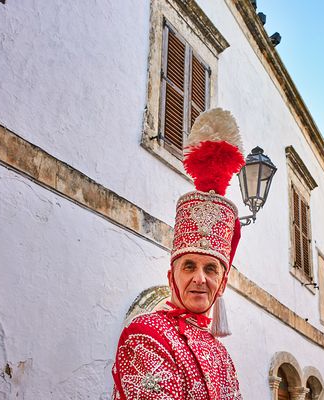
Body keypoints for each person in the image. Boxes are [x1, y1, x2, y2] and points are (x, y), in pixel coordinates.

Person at [112, 108, 245, 399]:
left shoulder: (223, 357)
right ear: (172, 275)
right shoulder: (146, 334)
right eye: (189, 266)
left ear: (222, 283)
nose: (199, 278)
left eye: (211, 269)